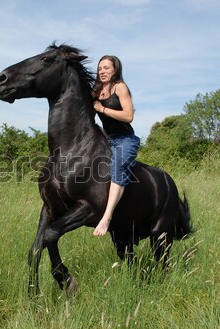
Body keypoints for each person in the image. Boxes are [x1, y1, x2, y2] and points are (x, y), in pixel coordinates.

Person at [92, 55, 140, 236]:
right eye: (100, 69)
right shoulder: (96, 91)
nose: (102, 71)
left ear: (115, 69)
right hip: (107, 139)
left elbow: (128, 116)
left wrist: (102, 109)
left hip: (125, 139)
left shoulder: (120, 87)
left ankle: (107, 217)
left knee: (118, 166)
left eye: (106, 68)